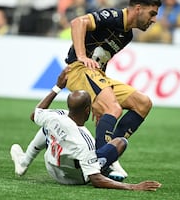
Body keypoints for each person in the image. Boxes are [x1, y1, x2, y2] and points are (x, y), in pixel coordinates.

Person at [10, 67, 162, 191]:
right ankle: (105, 166)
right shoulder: (85, 141)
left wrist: (57, 87)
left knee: (47, 128)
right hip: (75, 179)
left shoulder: (56, 116)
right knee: (121, 142)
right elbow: (96, 180)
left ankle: (24, 162)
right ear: (88, 110)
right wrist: (133, 187)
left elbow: (35, 114)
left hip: (52, 168)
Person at [64, 0, 162, 178]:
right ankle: (98, 165)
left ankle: (106, 156)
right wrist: (82, 56)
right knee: (113, 108)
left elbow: (102, 58)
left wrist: (101, 94)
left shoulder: (127, 36)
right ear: (138, 9)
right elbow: (77, 22)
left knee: (143, 103)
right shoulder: (113, 16)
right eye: (152, 13)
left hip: (96, 74)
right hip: (78, 69)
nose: (154, 20)